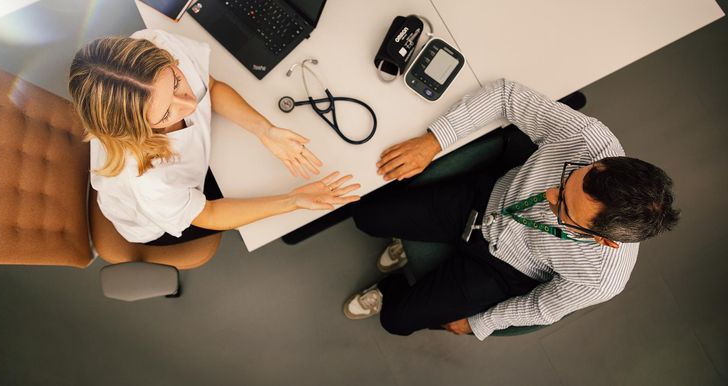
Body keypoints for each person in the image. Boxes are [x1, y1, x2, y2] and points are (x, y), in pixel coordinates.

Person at [342, 78, 679, 340]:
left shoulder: (601, 279)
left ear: (604, 240)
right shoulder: (590, 143)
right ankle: (408, 239)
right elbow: (505, 94)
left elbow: (542, 307)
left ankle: (391, 286)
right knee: (366, 217)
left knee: (396, 321)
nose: (550, 193)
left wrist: (479, 323)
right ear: (603, 165)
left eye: (564, 208)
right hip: (487, 200)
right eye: (568, 179)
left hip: (505, 269)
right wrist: (434, 141)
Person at [68, 29, 359, 245]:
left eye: (178, 83)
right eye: (166, 114)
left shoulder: (156, 46)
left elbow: (212, 87)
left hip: (189, 170)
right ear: (138, 130)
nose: (189, 104)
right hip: (157, 218)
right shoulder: (148, 181)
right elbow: (207, 214)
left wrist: (265, 130)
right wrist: (292, 201)